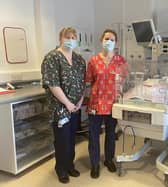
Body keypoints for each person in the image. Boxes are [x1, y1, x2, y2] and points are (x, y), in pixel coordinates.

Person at [41, 27, 86, 184]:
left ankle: (69, 165)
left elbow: (83, 82)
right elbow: (53, 84)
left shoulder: (79, 60)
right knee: (62, 140)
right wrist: (67, 103)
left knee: (72, 138)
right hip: (60, 108)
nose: (71, 39)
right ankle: (61, 169)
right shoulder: (52, 58)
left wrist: (79, 102)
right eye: (67, 36)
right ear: (60, 38)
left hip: (75, 107)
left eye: (74, 37)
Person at [85, 29, 128, 179]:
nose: (109, 41)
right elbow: (89, 82)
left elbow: (124, 81)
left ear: (116, 43)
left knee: (111, 134)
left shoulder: (121, 61)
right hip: (96, 104)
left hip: (113, 104)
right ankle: (95, 163)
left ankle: (109, 159)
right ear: (101, 40)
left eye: (112, 39)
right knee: (94, 135)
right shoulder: (93, 61)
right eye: (106, 38)